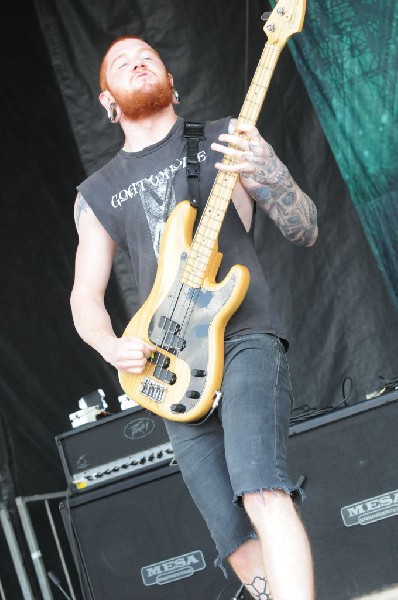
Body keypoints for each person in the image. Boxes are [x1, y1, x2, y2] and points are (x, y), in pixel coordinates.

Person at [70, 35, 317, 600]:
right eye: (121, 62)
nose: (138, 61)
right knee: (230, 534)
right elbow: (85, 297)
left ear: (171, 82)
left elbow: (306, 228)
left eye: (148, 56)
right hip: (168, 360)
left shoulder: (226, 139)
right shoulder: (98, 193)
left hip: (245, 337)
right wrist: (110, 346)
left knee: (261, 490)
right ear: (107, 100)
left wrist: (270, 168)